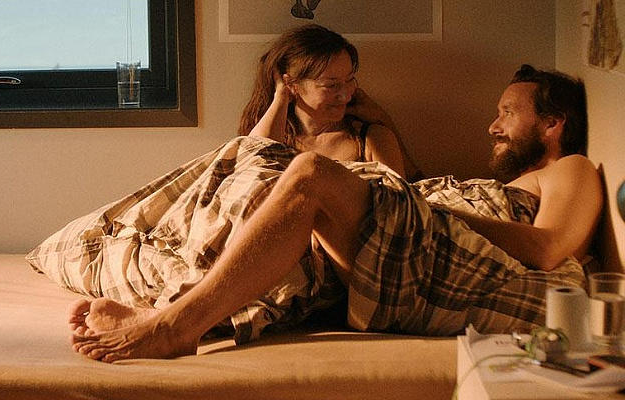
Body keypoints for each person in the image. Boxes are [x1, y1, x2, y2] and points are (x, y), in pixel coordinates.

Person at [65, 63, 602, 363]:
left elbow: (550, 249)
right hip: (418, 245)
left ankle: (176, 326)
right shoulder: (516, 181)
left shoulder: (572, 168)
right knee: (250, 160)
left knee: (310, 176)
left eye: (507, 113)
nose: (492, 126)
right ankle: (169, 292)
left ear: (551, 124)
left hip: (446, 256)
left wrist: (423, 205)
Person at [237, 24, 421, 180]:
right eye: (331, 85)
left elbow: (398, 206)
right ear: (292, 85)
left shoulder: (373, 139)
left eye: (349, 80)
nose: (345, 95)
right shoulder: (274, 139)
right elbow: (248, 176)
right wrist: (281, 97)